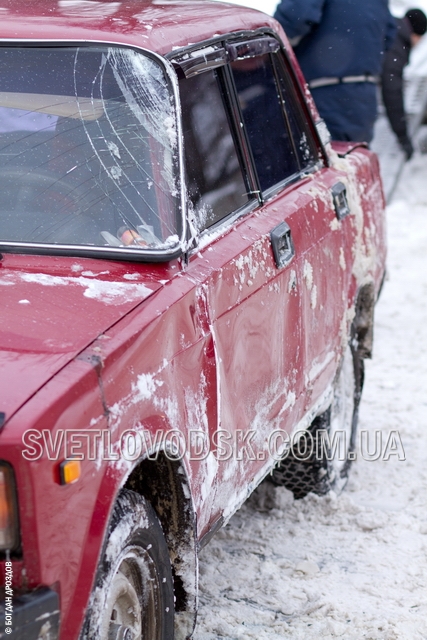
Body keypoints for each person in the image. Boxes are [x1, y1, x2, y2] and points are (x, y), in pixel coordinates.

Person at [274, 0, 396, 143]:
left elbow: (292, 21)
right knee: (353, 158)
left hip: (323, 95)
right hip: (365, 97)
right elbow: (389, 36)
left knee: (321, 159)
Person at [381, 8, 427, 160]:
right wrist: (403, 137)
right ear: (416, 34)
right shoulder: (397, 42)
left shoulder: (390, 28)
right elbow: (391, 89)